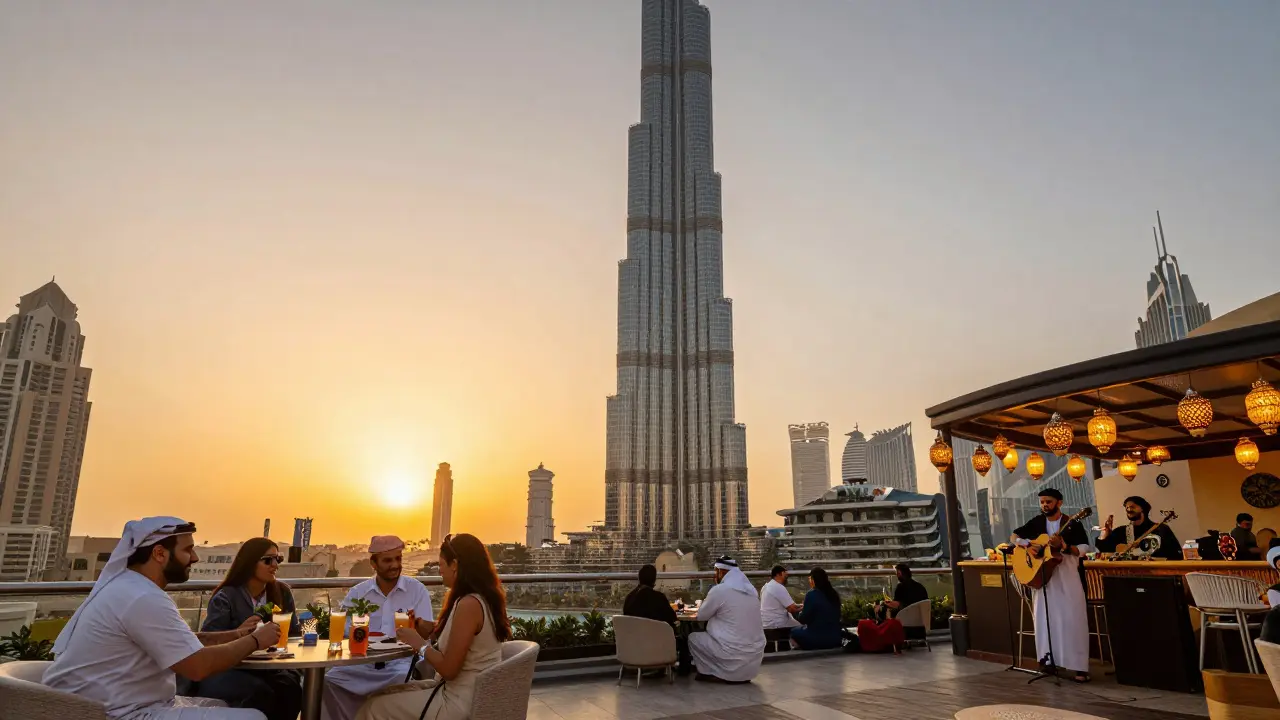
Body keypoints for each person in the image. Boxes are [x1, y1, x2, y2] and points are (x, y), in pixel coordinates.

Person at [45, 517, 281, 719]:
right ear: (159, 553)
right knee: (254, 716)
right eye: (188, 550)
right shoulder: (142, 597)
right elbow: (197, 667)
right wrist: (256, 641)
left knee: (229, 705)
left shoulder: (130, 588)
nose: (195, 557)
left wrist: (236, 635)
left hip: (119, 704)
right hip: (118, 713)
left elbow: (182, 641)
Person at [356, 534, 510, 720]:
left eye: (441, 565)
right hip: (467, 693)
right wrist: (433, 628)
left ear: (454, 564)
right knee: (381, 694)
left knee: (373, 707)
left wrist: (419, 643)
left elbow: (449, 670)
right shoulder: (481, 598)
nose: (440, 572)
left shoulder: (468, 604)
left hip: (458, 702)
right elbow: (467, 639)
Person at [323, 536, 436, 720]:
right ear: (373, 563)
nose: (394, 565)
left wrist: (421, 627)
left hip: (400, 664)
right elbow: (344, 632)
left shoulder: (417, 590)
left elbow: (425, 634)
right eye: (388, 560)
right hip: (361, 664)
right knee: (329, 681)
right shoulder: (359, 593)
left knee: (401, 681)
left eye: (398, 559)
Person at [191, 538, 303, 720]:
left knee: (290, 688)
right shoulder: (226, 596)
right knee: (260, 692)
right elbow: (209, 640)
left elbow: (295, 634)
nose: (275, 565)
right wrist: (239, 633)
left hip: (271, 667)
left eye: (278, 559)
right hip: (231, 668)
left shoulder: (282, 592)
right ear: (250, 563)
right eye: (268, 560)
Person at [1011, 488, 1091, 683]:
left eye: (1048, 501)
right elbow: (1014, 536)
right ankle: (1048, 662)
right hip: (1044, 579)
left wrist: (1064, 546)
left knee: (1072, 621)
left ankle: (1079, 667)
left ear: (1059, 503)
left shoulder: (1072, 523)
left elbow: (1084, 548)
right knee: (1045, 620)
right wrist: (1027, 545)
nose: (1044, 505)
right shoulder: (1037, 522)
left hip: (1068, 578)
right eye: (1042, 502)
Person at [688, 556, 765, 683]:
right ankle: (730, 672)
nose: (715, 575)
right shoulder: (751, 591)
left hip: (732, 653)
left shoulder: (720, 590)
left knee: (694, 638)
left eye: (715, 572)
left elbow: (701, 615)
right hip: (753, 660)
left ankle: (709, 672)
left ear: (721, 572)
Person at [1095, 496, 1181, 560]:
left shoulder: (1160, 529)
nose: (1128, 509)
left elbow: (1175, 554)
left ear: (1143, 509)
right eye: (1127, 508)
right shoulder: (1121, 531)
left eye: (1132, 507)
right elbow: (1104, 550)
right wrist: (1105, 533)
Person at [789, 568, 842, 650]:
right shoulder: (833, 594)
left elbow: (803, 619)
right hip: (835, 638)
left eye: (810, 579)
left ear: (813, 580)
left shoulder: (811, 594)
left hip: (818, 638)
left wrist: (796, 612)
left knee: (793, 632)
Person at [759, 565, 800, 631]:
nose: (786, 577)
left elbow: (791, 605)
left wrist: (801, 605)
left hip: (766, 624)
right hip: (777, 624)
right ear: (778, 574)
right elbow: (792, 609)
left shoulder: (765, 586)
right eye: (784, 574)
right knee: (804, 627)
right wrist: (806, 606)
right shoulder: (778, 587)